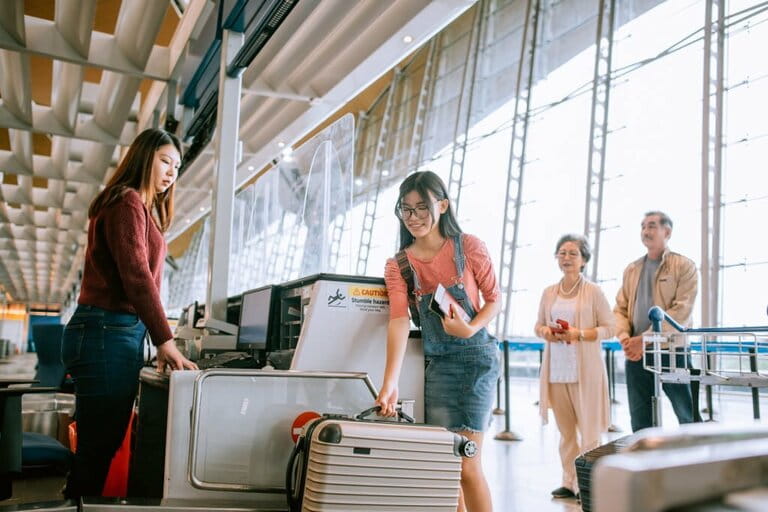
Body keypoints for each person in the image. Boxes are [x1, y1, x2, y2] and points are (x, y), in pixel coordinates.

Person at [61, 128, 198, 499]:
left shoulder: (137, 206)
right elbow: (137, 274)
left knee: (99, 445)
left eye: (177, 166)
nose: (172, 172)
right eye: (165, 161)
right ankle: (76, 503)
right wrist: (165, 340)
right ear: (144, 157)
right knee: (99, 446)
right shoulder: (127, 202)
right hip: (105, 332)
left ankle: (75, 500)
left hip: (111, 333)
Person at [376, 171, 499, 512]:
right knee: (446, 465)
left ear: (442, 205)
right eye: (406, 209)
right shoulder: (398, 265)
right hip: (439, 366)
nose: (413, 217)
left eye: (421, 207)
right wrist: (390, 382)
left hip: (476, 359)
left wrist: (470, 328)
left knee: (467, 462)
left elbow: (494, 299)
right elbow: (399, 320)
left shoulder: (468, 247)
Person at [534, 235, 615, 499]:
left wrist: (579, 334)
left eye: (572, 253)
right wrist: (547, 331)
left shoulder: (593, 291)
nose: (566, 257)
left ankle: (589, 485)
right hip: (557, 371)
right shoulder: (549, 292)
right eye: (562, 252)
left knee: (589, 431)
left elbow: (610, 328)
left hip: (586, 372)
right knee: (566, 433)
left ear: (584, 260)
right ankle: (569, 482)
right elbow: (538, 326)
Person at [614, 211, 698, 432]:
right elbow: (619, 309)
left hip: (671, 350)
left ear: (667, 231)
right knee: (640, 418)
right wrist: (625, 339)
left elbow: (682, 312)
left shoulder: (684, 266)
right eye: (643, 226)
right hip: (636, 353)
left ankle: (696, 459)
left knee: (687, 412)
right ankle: (646, 463)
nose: (645, 231)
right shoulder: (632, 269)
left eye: (651, 226)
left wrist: (646, 339)